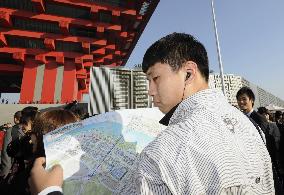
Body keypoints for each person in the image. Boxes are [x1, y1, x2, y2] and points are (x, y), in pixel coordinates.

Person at [29, 33, 274, 194]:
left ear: (188, 73)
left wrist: (48, 192)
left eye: (155, 78)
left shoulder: (165, 150)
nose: (150, 91)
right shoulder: (252, 130)